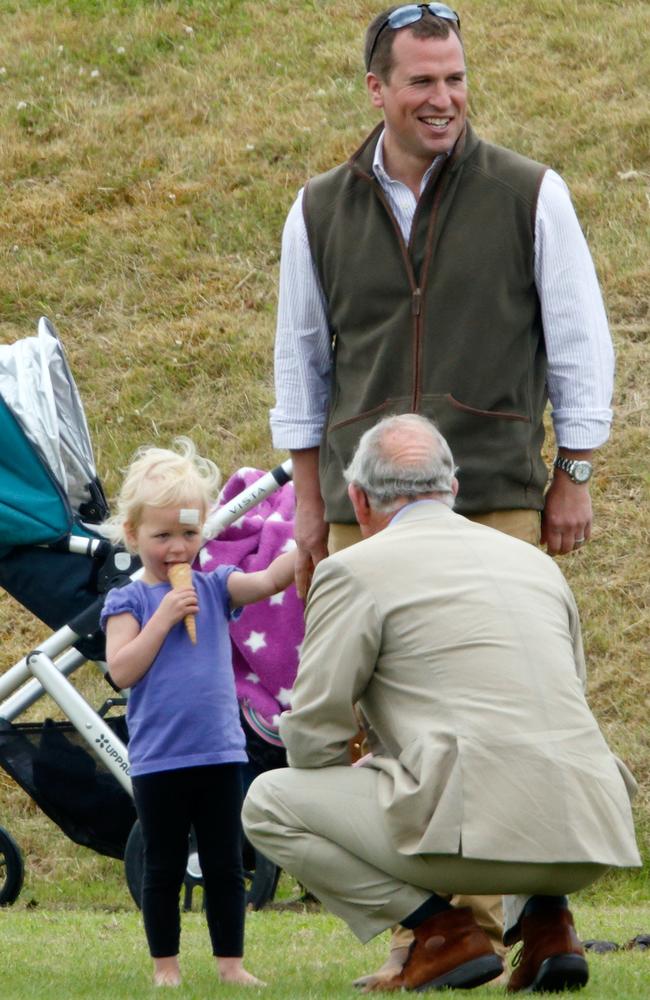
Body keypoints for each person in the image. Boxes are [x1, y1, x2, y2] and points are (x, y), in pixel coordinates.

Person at [242, 415, 640, 994]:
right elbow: (566, 702)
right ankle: (550, 924)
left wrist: (364, 783)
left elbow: (314, 730)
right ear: (452, 488)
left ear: (357, 499)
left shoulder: (351, 570)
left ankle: (442, 933)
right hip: (589, 835)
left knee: (268, 802)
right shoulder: (538, 567)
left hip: (474, 842)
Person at [270, 3, 615, 599]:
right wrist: (309, 504)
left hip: (489, 501)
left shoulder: (531, 194)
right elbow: (301, 366)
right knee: (368, 692)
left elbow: (580, 344)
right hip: (364, 508)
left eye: (455, 79)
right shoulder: (316, 210)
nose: (444, 99)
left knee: (493, 685)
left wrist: (573, 473)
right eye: (422, 82)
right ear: (376, 89)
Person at [101, 438, 295, 988]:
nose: (176, 548)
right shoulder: (128, 602)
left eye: (189, 534)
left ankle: (230, 963)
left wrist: (300, 553)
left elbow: (266, 582)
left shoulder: (214, 586)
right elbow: (122, 670)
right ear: (134, 535)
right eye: (162, 536)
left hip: (219, 752)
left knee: (226, 863)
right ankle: (166, 966)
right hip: (160, 758)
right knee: (162, 866)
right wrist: (162, 618)